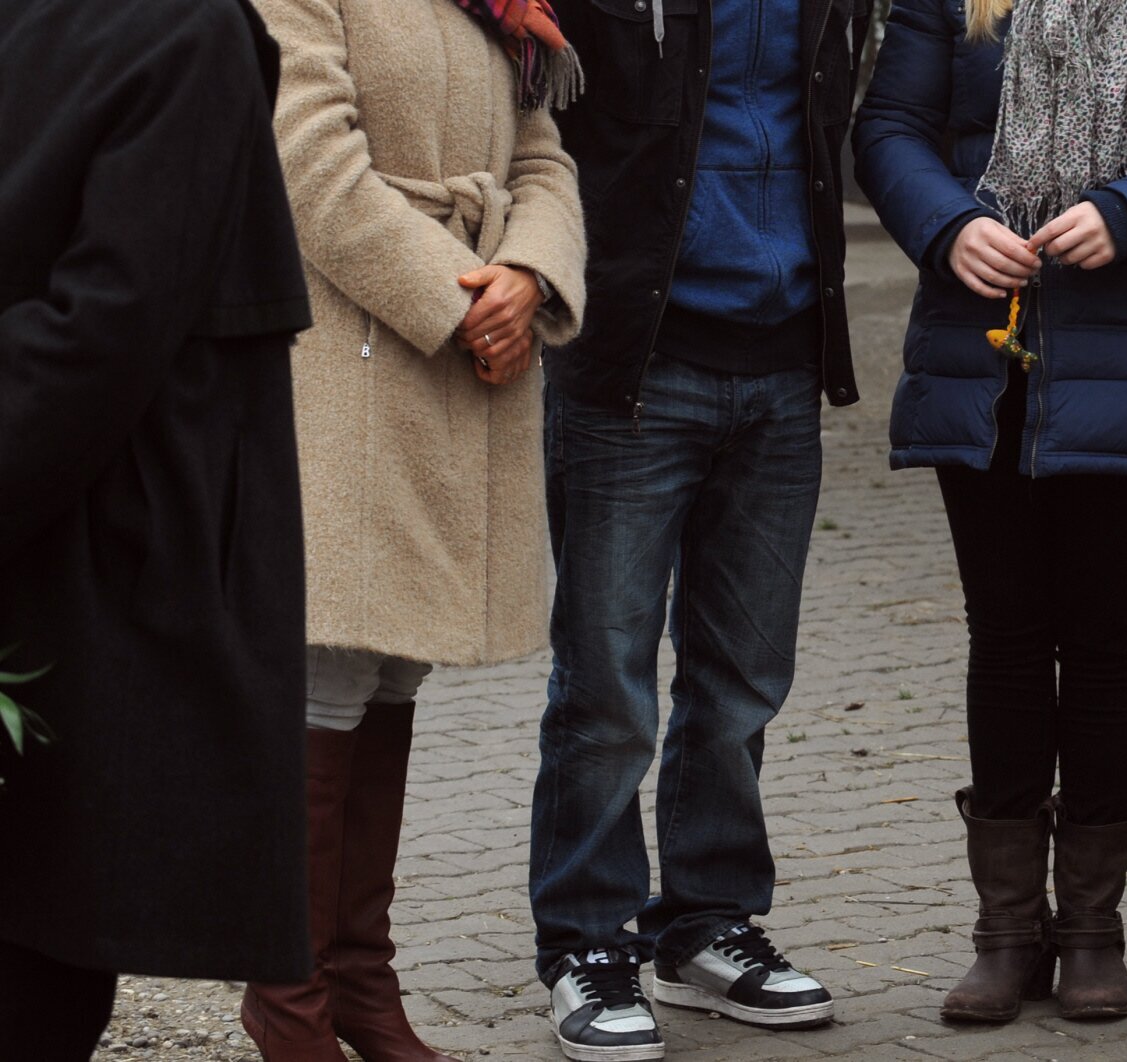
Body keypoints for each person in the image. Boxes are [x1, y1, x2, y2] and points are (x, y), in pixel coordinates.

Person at [855, 0, 1127, 1023]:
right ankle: (1006, 931)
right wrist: (948, 225)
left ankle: (1092, 928)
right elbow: (890, 128)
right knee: (1005, 637)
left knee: (1105, 638)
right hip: (983, 356)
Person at [245, 0, 587, 1058]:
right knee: (329, 669)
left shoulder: (499, 4)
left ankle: (358, 979)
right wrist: (465, 297)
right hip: (341, 354)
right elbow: (308, 162)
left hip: (462, 362)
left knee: (395, 670)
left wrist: (529, 274)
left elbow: (543, 154)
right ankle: (289, 996)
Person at [527, 1, 867, 1058]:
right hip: (634, 362)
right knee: (606, 689)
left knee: (742, 682)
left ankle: (706, 926)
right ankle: (586, 943)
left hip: (784, 358)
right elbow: (531, 127)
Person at [0, 0, 315, 1057]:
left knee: (42, 943)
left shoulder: (184, 33)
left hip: (84, 546)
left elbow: (109, 321)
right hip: (70, 524)